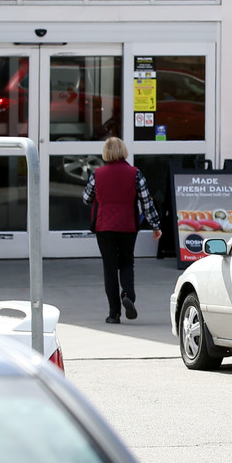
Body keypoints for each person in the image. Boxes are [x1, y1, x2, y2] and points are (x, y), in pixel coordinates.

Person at [82, 137, 162, 324]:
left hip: (104, 226)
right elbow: (146, 202)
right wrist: (155, 225)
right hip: (127, 225)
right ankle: (127, 294)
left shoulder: (97, 174)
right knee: (126, 262)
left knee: (109, 268)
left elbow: (86, 198)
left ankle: (114, 313)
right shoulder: (135, 173)